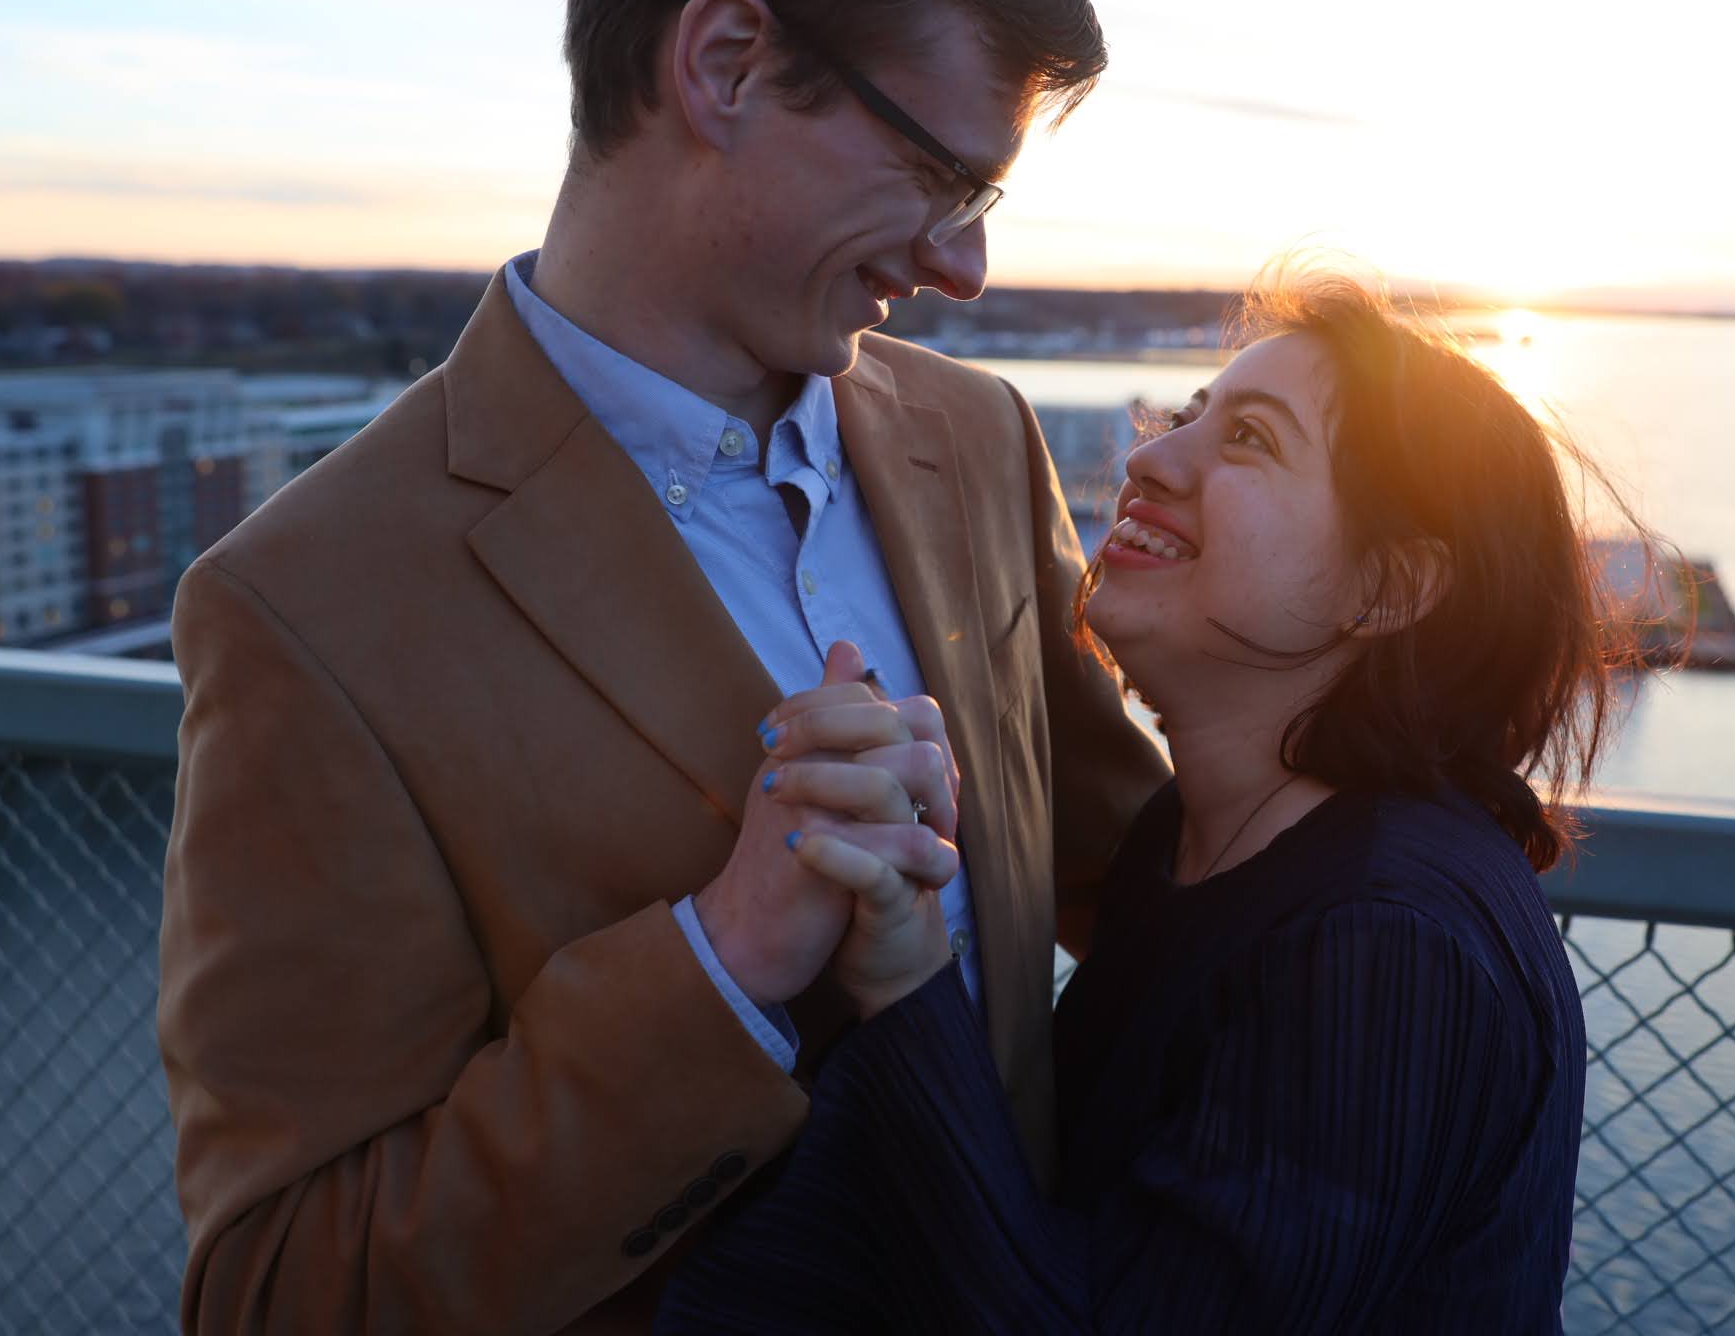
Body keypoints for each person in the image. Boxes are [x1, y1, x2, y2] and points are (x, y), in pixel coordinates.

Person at [154, 0, 1167, 1331]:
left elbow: (1149, 883)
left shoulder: (978, 442)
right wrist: (722, 961)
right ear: (728, 64)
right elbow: (280, 1291)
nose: (966, 270)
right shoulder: (308, 612)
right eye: (937, 176)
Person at [657, 273, 1614, 1334]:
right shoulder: (1190, 841)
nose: (1150, 459)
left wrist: (909, 976)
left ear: (1386, 589)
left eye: (1249, 439)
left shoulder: (1390, 940)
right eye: (1187, 417)